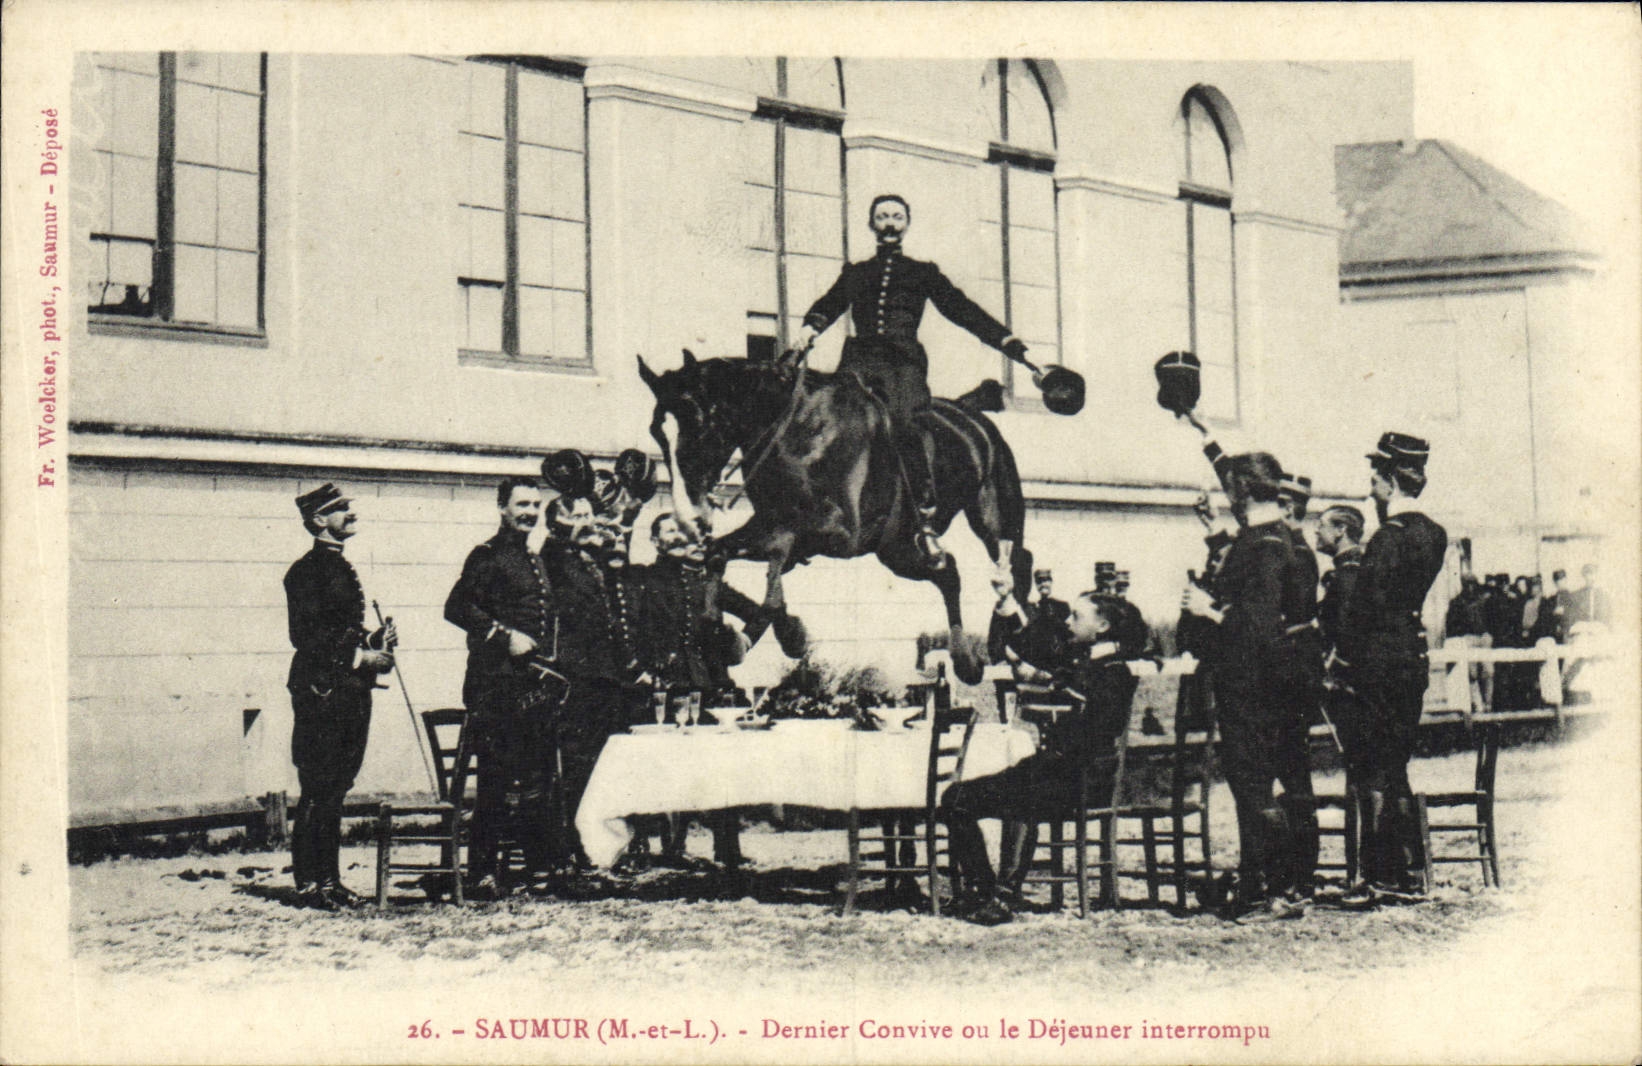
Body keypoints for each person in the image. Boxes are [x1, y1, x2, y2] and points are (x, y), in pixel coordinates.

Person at [792, 193, 1036, 566]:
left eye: (897, 217)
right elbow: (830, 302)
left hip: (901, 370)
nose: (889, 223)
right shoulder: (856, 273)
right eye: (882, 217)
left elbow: (963, 310)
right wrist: (810, 328)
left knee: (904, 426)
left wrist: (1013, 346)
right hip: (857, 367)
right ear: (871, 224)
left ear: (906, 224)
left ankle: (923, 518)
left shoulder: (923, 273)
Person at [942, 590, 1147, 925]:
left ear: (1103, 625)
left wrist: (1055, 699)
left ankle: (1004, 898)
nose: (1068, 621)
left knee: (1022, 796)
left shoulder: (1113, 671)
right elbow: (1039, 656)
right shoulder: (1081, 659)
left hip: (1084, 779)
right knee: (955, 799)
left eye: (1077, 617)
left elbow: (1093, 726)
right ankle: (984, 889)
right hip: (1052, 769)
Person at [1181, 452, 1312, 920]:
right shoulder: (1287, 540)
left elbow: (1255, 623)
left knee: (1252, 786)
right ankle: (1270, 886)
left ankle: (1274, 891)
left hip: (1248, 683)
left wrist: (1205, 609)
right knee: (1262, 785)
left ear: (1240, 491)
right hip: (1279, 684)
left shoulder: (1261, 545)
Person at [1334, 432, 1447, 907]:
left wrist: (1342, 658)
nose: (1371, 490)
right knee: (1396, 765)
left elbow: (1365, 606)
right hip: (1411, 657)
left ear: (1387, 482)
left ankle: (1380, 877)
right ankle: (1409, 872)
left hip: (1377, 662)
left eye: (1375, 480)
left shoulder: (1388, 538)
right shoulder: (1434, 534)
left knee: (1374, 769)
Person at [443, 476, 556, 898]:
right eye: (522, 504)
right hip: (495, 687)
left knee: (533, 782)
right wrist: (503, 635)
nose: (530, 512)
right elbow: (456, 608)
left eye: (535, 505)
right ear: (502, 508)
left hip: (531, 687)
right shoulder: (486, 556)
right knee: (495, 782)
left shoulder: (533, 559)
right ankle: (482, 873)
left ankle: (534, 871)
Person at [283, 483, 395, 910]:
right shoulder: (305, 571)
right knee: (318, 786)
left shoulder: (338, 565)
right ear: (317, 520)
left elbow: (340, 629)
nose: (351, 513)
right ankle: (311, 885)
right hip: (321, 691)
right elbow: (306, 636)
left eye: (349, 506)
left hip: (346, 691)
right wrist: (361, 656)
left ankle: (329, 881)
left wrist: (374, 637)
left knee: (337, 787)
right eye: (340, 508)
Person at [638, 512, 763, 868]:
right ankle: (669, 848)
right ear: (656, 541)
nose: (678, 536)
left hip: (713, 687)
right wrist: (647, 669)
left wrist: (743, 642)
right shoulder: (646, 581)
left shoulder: (708, 583)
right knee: (672, 769)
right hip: (670, 688)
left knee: (722, 768)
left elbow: (759, 612)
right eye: (669, 531)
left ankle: (728, 850)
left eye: (683, 531)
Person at [539, 491, 646, 879]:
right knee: (577, 766)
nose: (587, 521)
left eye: (589, 513)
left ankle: (609, 846)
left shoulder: (591, 559)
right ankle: (574, 848)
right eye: (577, 515)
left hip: (605, 677)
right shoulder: (552, 557)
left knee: (606, 764)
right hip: (578, 677)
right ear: (556, 524)